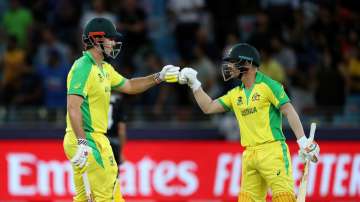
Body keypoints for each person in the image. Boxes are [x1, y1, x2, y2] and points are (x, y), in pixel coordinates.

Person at [178, 43, 320, 201]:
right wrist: (195, 85)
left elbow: (288, 110)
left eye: (233, 62)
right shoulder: (235, 94)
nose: (230, 67)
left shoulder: (268, 85)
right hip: (249, 154)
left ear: (247, 63)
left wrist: (302, 141)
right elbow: (208, 107)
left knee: (283, 198)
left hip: (272, 152)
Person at [63, 17, 179, 202]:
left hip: (93, 139)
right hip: (87, 139)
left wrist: (159, 76)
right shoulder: (83, 66)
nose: (114, 42)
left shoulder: (105, 69)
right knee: (106, 197)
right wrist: (83, 143)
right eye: (110, 38)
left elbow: (131, 86)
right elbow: (72, 106)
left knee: (87, 199)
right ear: (96, 39)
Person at [107, 93, 127, 166]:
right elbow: (121, 130)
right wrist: (120, 152)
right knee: (114, 175)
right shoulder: (119, 101)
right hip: (113, 142)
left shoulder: (97, 97)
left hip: (98, 140)